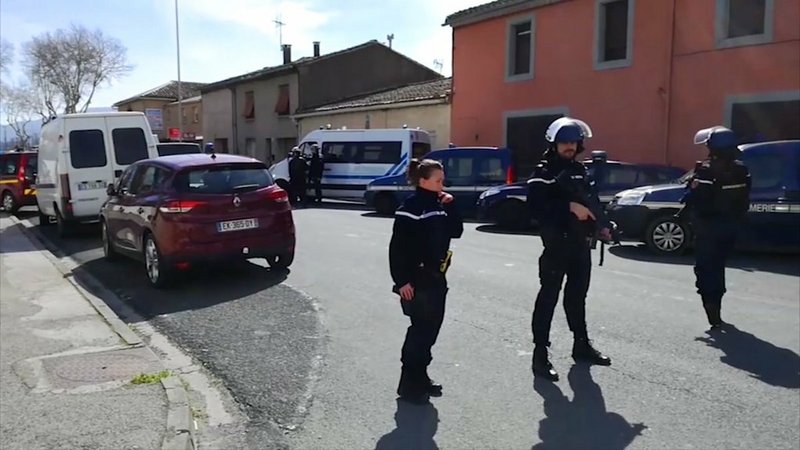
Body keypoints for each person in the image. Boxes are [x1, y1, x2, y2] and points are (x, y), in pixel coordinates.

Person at [526, 117, 612, 382]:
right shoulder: (543, 174)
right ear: (554, 143)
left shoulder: (580, 171)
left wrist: (604, 225)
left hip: (580, 245)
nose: (569, 146)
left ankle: (581, 344)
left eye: (574, 142)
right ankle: (540, 355)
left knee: (577, 298)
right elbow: (534, 209)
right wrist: (568, 208)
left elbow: (592, 202)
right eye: (564, 141)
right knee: (548, 299)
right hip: (556, 245)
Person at [389, 158, 463, 404]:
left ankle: (421, 377)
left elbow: (457, 231)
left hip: (436, 278)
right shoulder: (411, 207)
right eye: (438, 180)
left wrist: (451, 206)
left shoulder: (439, 204)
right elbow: (397, 248)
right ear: (423, 181)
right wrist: (402, 281)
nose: (443, 184)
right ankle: (409, 383)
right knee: (419, 332)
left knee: (431, 332)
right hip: (417, 281)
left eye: (443, 179)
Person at [683, 126, 750, 330]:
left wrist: (692, 187)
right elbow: (744, 199)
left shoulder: (706, 171)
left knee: (705, 269)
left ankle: (713, 312)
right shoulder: (742, 169)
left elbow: (699, 200)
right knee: (718, 266)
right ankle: (716, 309)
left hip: (708, 227)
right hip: (730, 226)